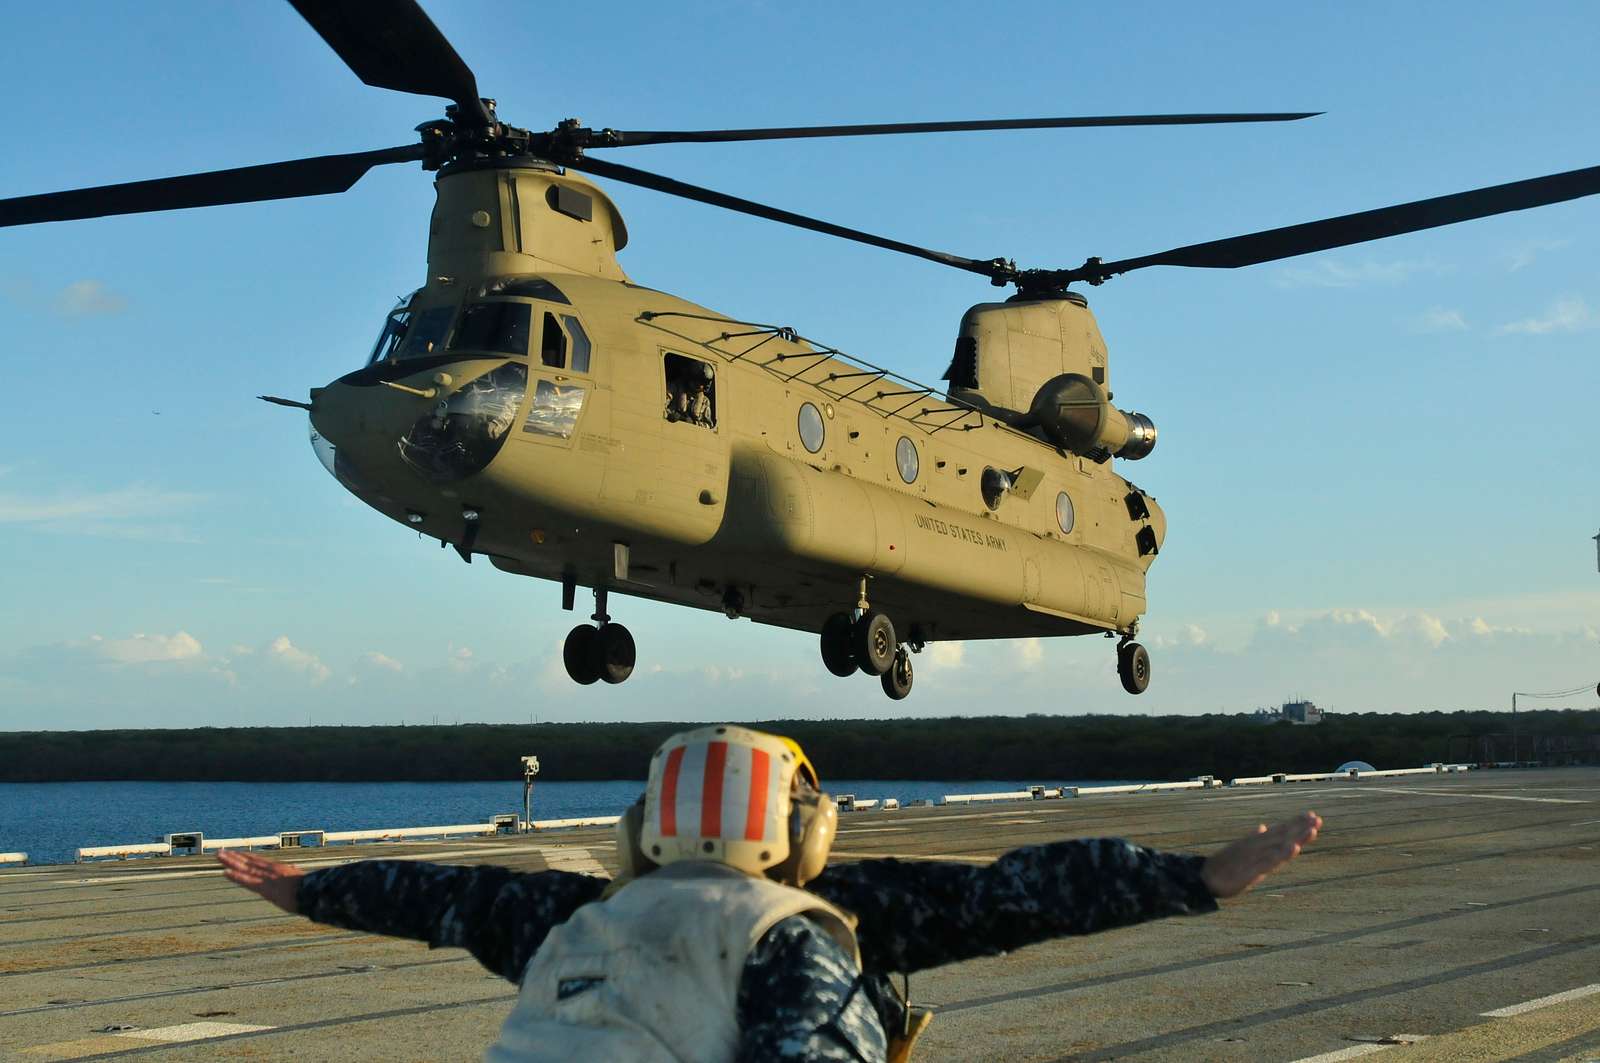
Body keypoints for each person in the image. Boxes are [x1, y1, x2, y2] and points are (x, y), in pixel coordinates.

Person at [219, 725, 1321, 1062]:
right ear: (801, 829)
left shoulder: (567, 917)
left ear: (645, 830)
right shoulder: (802, 934)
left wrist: (315, 891)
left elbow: (430, 894)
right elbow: (1010, 895)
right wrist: (1192, 879)